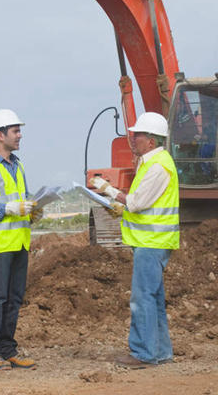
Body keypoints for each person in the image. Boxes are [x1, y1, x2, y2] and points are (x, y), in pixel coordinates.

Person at [89, 111, 180, 369]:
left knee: (142, 299)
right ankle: (160, 351)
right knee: (153, 298)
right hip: (151, 241)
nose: (133, 138)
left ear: (151, 141)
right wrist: (122, 209)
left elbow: (137, 202)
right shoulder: (153, 162)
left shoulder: (158, 166)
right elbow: (143, 204)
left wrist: (108, 190)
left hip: (152, 242)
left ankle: (143, 353)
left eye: (138, 134)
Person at [0, 108, 42, 370]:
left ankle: (7, 349)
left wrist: (32, 209)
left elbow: (22, 200)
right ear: (0, 135)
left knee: (14, 298)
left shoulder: (17, 165)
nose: (20, 135)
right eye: (15, 131)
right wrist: (10, 209)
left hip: (19, 242)